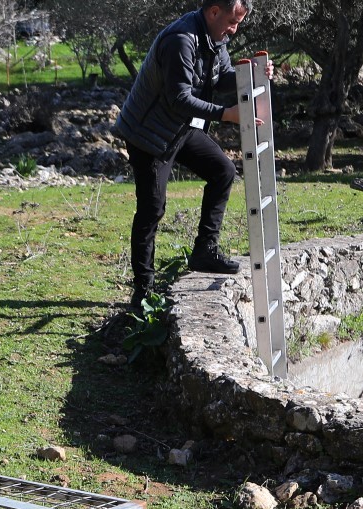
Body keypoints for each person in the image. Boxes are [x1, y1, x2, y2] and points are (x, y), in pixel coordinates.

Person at [111, 0, 272, 309]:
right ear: (214, 12)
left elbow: (221, 78)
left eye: (238, 23)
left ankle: (204, 252)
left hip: (180, 129)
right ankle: (143, 290)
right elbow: (179, 99)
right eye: (231, 22)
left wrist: (251, 73)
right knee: (152, 209)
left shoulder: (216, 38)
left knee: (223, 171)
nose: (234, 30)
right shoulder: (181, 40)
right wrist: (228, 115)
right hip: (147, 134)